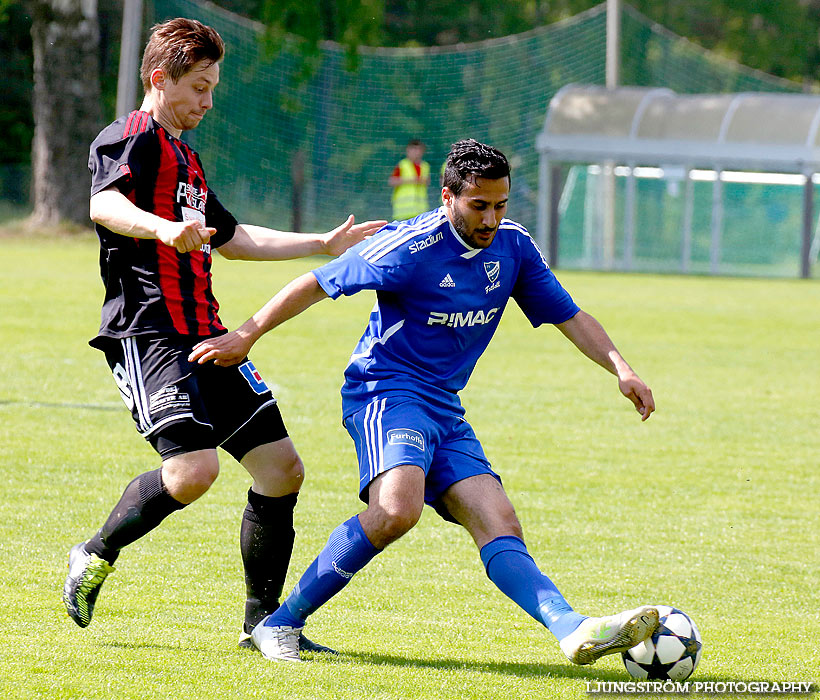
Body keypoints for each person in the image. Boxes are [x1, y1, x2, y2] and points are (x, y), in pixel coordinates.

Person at [189, 139, 659, 664]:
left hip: (443, 406)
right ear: (448, 196)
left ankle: (573, 629)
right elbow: (316, 283)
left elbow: (569, 315)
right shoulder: (408, 244)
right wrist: (246, 336)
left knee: (499, 521)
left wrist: (622, 368)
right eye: (478, 205)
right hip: (385, 389)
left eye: (501, 205)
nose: (491, 218)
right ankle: (280, 624)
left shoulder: (514, 247)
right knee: (396, 510)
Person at [61, 17, 385, 654]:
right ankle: (93, 554)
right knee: (191, 472)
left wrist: (320, 243)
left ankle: (264, 626)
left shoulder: (188, 159)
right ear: (160, 79)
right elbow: (104, 205)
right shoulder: (130, 136)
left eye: (213, 88)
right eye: (200, 87)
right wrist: (159, 228)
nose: (209, 101)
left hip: (208, 334)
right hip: (149, 333)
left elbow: (235, 239)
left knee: (281, 470)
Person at [389, 139, 430, 220]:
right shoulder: (402, 165)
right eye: (413, 149)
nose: (416, 152)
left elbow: (427, 181)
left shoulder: (425, 166)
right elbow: (392, 181)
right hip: (403, 211)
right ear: (408, 151)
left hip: (421, 210)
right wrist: (411, 180)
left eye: (418, 150)